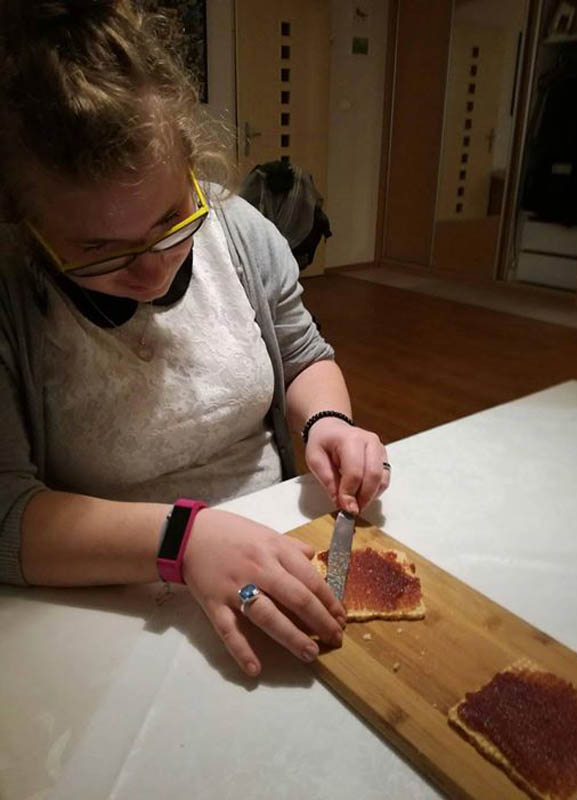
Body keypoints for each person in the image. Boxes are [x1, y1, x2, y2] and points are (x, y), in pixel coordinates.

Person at [0, 0, 390, 677]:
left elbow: (304, 355)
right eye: (99, 249)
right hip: (112, 609)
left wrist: (326, 420)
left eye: (171, 219)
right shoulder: (10, 292)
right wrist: (185, 539)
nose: (153, 269)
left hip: (277, 552)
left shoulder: (239, 230)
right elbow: (6, 514)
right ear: (23, 226)